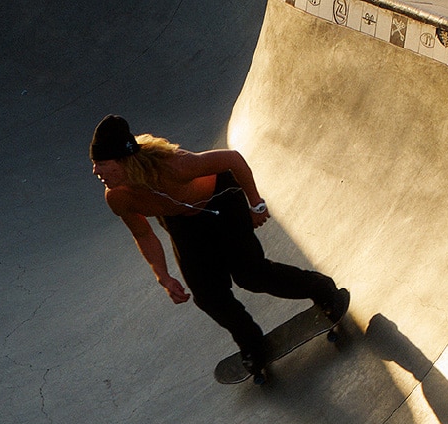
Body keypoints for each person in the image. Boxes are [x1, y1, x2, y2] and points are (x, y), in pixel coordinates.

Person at [90, 114, 347, 380]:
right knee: (208, 295)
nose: (96, 171)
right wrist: (163, 275)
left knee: (251, 274)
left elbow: (232, 159)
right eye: (94, 164)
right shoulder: (117, 197)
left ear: (124, 160)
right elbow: (143, 234)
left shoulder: (174, 166)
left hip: (221, 200)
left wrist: (256, 204)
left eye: (101, 164)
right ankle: (252, 343)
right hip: (182, 221)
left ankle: (322, 289)